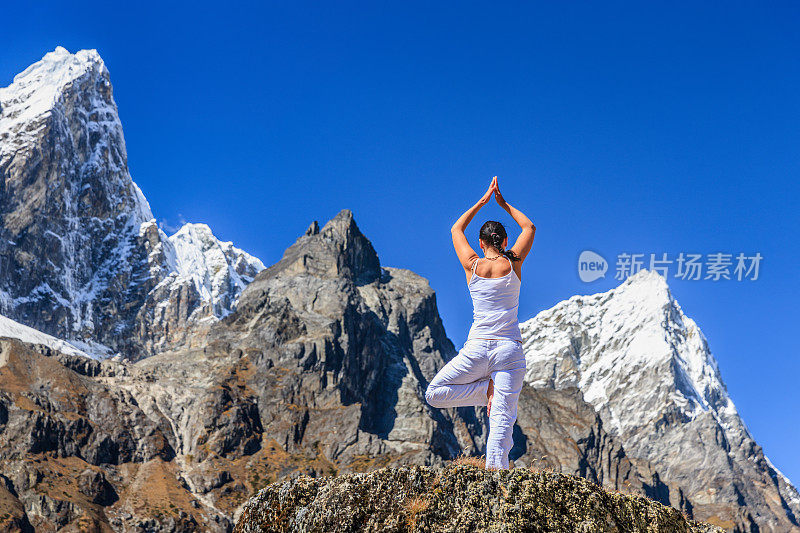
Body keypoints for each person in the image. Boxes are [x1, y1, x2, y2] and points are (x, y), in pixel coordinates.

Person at [425, 176, 536, 470]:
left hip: (476, 348)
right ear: (505, 241)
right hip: (509, 351)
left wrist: (482, 202)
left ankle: (484, 389)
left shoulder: (471, 265)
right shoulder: (513, 262)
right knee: (501, 421)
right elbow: (530, 227)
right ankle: (496, 481)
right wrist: (504, 204)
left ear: (481, 242)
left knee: (434, 393)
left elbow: (455, 228)